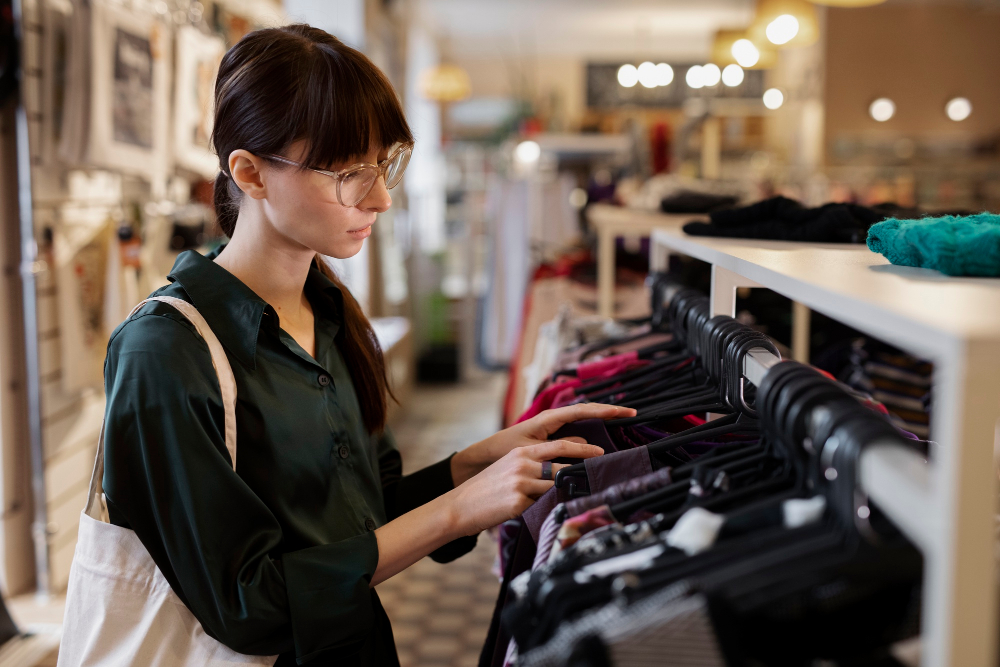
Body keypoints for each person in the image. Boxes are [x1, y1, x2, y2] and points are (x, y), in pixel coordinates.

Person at [100, 24, 634, 666]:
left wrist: (475, 465)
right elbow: (247, 605)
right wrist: (454, 512)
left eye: (384, 165)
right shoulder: (165, 351)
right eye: (351, 172)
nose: (380, 197)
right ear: (251, 173)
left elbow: (361, 518)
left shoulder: (331, 313)